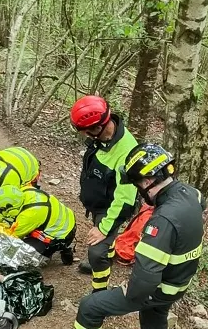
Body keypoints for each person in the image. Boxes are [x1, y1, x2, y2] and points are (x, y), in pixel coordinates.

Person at [74, 143, 205, 329]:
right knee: (154, 315)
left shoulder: (163, 221)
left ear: (146, 181)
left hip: (162, 288)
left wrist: (127, 293)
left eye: (137, 184)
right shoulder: (193, 194)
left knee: (90, 306)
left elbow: (146, 278)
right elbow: (201, 206)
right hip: (180, 281)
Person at [70, 95, 138, 293]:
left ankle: (99, 293)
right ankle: (106, 249)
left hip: (111, 207)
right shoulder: (102, 138)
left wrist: (104, 228)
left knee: (97, 252)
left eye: (87, 133)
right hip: (99, 200)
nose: (86, 137)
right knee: (100, 242)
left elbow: (125, 200)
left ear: (98, 126)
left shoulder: (126, 154)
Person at [0, 184, 76, 265]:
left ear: (10, 208)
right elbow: (12, 213)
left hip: (63, 235)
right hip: (66, 219)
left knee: (18, 252)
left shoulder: (29, 216)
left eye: (0, 208)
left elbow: (11, 236)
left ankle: (58, 248)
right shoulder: (25, 191)